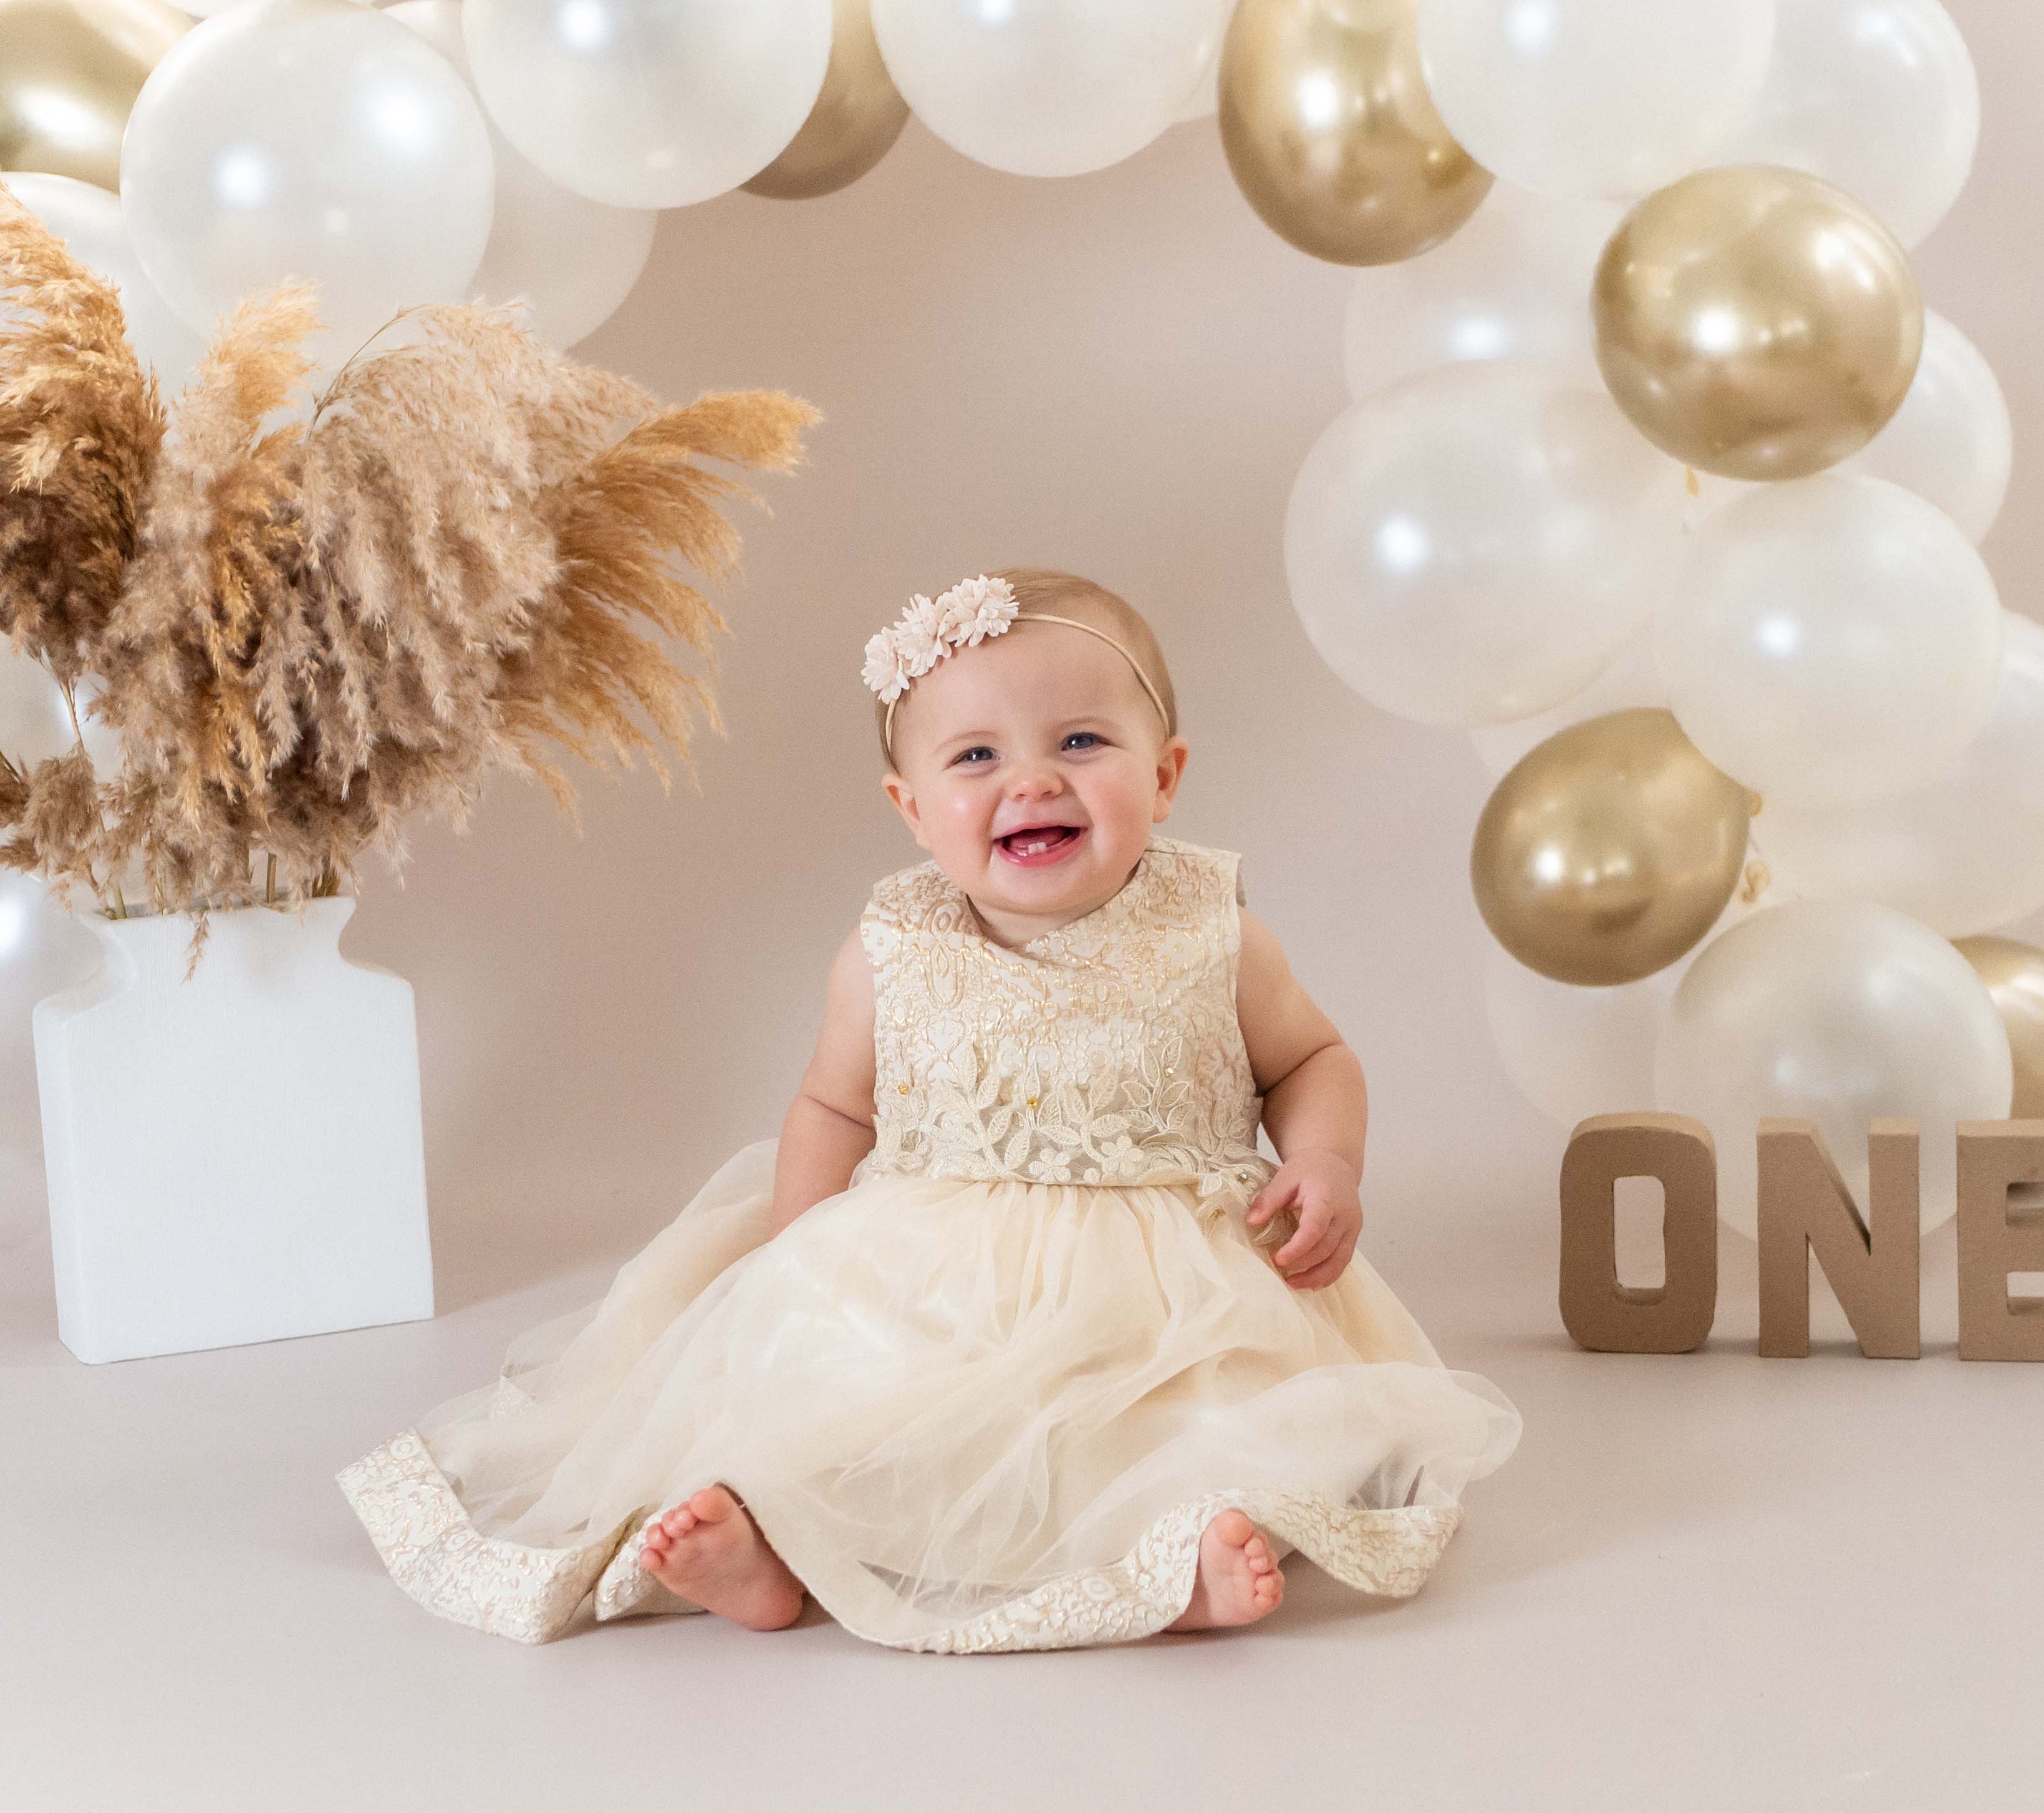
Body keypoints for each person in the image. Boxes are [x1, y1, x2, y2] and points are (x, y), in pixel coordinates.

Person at [340, 567, 1520, 1652]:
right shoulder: (887, 952)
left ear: (1163, 778)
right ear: (911, 808)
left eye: (1081, 740)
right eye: (975, 759)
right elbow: (832, 1110)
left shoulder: (1215, 934)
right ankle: (774, 1544)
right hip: (935, 1275)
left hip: (1174, 1289)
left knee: (1196, 1420)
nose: (1032, 780)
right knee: (858, 1400)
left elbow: (1311, 1056)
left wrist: (1324, 1159)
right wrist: (792, 1265)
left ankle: (1177, 1562)